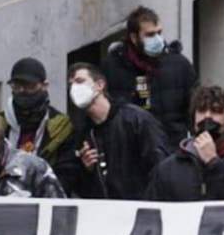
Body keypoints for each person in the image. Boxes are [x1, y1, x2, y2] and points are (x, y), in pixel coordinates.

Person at [65, 62, 172, 199]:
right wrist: (87, 170)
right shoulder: (82, 133)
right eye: (71, 85)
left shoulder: (136, 120)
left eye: (80, 81)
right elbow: (80, 189)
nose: (74, 88)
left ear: (100, 85)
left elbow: (161, 166)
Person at [144, 86, 224, 201]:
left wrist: (214, 162)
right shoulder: (169, 168)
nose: (207, 116)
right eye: (201, 110)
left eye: (216, 111)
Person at [104, 6, 199, 147]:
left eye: (159, 33)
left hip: (172, 150)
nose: (158, 39)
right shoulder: (114, 67)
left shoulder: (179, 64)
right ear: (134, 37)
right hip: (133, 151)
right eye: (150, 35)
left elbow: (195, 107)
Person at [0, 57, 77, 183]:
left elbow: (67, 175)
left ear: (45, 86)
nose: (22, 91)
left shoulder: (62, 127)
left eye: (29, 86)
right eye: (16, 86)